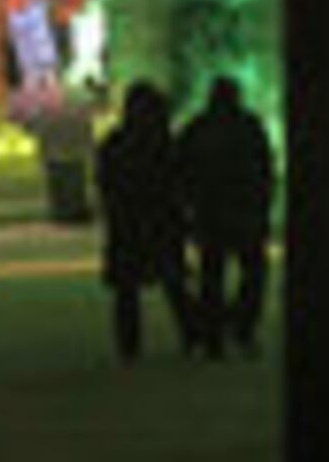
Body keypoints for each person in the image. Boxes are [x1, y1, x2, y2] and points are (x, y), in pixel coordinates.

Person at [93, 81, 197, 362]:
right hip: (161, 221)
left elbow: (106, 181)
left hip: (128, 224)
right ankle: (192, 332)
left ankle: (130, 345)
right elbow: (180, 182)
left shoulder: (116, 143)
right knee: (173, 283)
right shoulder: (165, 143)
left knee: (128, 291)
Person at [174, 75, 276, 359]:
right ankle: (241, 325)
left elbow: (181, 171)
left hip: (210, 213)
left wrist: (188, 207)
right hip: (243, 212)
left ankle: (213, 335)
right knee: (253, 273)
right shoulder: (249, 127)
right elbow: (264, 169)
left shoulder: (198, 128)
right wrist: (263, 205)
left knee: (212, 275)